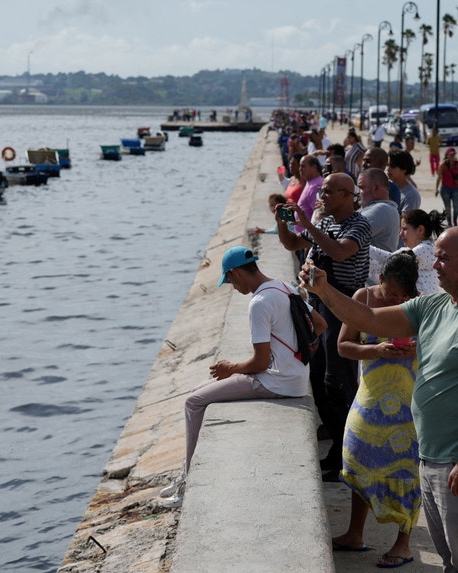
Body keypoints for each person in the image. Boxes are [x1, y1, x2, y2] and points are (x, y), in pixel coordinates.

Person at [299, 225, 458, 573]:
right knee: (451, 558)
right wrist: (322, 288)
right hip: (430, 456)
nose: (435, 266)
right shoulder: (434, 306)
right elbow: (366, 318)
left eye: (443, 259)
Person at [159, 246, 326, 507]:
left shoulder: (259, 303)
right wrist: (295, 356)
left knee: (193, 403)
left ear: (236, 273)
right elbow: (320, 324)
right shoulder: (283, 286)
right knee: (198, 391)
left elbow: (259, 362)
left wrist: (230, 368)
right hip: (294, 378)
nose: (232, 287)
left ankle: (188, 488)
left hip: (274, 382)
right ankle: (184, 473)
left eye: (229, 280)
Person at [276, 173, 371, 480]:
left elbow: (339, 252)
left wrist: (308, 221)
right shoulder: (326, 223)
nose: (322, 197)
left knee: (338, 382)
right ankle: (338, 447)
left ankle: (351, 454)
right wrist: (283, 220)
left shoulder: (358, 225)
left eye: (329, 193)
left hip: (342, 309)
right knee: (317, 377)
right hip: (319, 307)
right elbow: (293, 243)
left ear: (347, 195)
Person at [332, 252, 422, 569]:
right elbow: (344, 345)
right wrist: (376, 349)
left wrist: (417, 348)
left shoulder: (420, 305)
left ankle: (404, 542)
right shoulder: (363, 297)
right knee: (358, 461)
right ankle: (354, 534)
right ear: (379, 280)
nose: (397, 299)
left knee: (406, 471)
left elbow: (437, 351)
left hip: (409, 403)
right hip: (370, 397)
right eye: (391, 292)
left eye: (403, 295)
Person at [357, 167, 401, 285]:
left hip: (369, 288)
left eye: (361, 187)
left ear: (376, 187)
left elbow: (347, 232)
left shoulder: (382, 209)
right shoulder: (373, 208)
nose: (357, 192)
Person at [399, 209, 446, 295]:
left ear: (420, 230)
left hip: (425, 305)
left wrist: (367, 247)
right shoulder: (409, 250)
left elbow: (390, 261)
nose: (401, 234)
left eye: (405, 229)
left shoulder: (426, 249)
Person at [435, 148, 458, 227]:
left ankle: (455, 220)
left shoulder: (457, 164)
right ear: (447, 155)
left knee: (456, 207)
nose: (452, 156)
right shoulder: (443, 165)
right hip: (445, 189)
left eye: (453, 155)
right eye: (451, 155)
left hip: (455, 188)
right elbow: (439, 177)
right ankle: (449, 223)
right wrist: (436, 189)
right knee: (447, 208)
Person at [296, 154, 324, 232]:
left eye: (303, 166)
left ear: (314, 167)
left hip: (307, 235)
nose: (300, 169)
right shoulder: (310, 182)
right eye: (300, 166)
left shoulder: (316, 186)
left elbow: (318, 214)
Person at [388, 149, 421, 214]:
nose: (388, 169)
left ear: (404, 169)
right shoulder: (384, 187)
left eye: (392, 166)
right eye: (387, 165)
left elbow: (405, 222)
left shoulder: (411, 195)